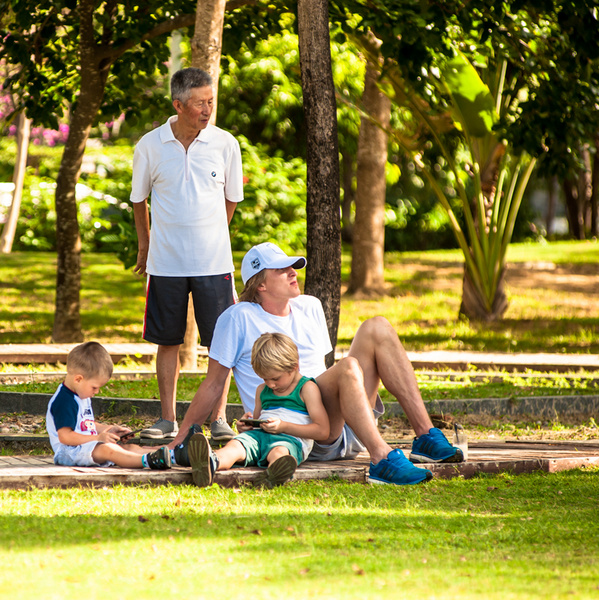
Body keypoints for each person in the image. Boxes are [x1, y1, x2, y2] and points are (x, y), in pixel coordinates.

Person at [171, 242, 463, 485]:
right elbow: (213, 384)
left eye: (293, 266)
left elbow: (322, 373)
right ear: (259, 285)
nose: (293, 273)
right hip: (295, 434)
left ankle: (426, 436)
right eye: (281, 269)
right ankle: (381, 459)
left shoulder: (309, 306)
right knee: (348, 367)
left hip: (335, 424)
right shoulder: (238, 317)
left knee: (377, 327)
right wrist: (179, 441)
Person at [130, 67, 244, 442]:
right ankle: (167, 419)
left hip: (215, 264)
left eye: (211, 101)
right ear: (178, 104)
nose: (207, 109)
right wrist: (145, 245)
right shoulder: (149, 145)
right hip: (166, 264)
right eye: (200, 103)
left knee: (221, 341)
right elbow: (139, 200)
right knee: (168, 340)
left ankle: (220, 418)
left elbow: (231, 200)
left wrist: (212, 235)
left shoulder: (226, 144)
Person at [187, 332, 330, 488]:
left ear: (295, 367)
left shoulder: (307, 389)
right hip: (258, 437)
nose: (270, 385)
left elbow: (322, 431)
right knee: (235, 446)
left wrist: (283, 427)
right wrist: (245, 426)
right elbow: (257, 422)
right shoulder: (262, 390)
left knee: (279, 452)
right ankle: (210, 463)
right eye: (264, 379)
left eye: (275, 378)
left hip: (289, 440)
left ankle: (275, 473)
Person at [46, 342, 171, 470]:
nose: (97, 392)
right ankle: (150, 461)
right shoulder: (64, 401)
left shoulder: (81, 394)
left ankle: (170, 455)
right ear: (78, 379)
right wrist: (97, 438)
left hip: (86, 446)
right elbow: (65, 436)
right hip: (69, 452)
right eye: (94, 387)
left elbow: (85, 424)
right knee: (109, 449)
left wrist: (109, 429)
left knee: (128, 448)